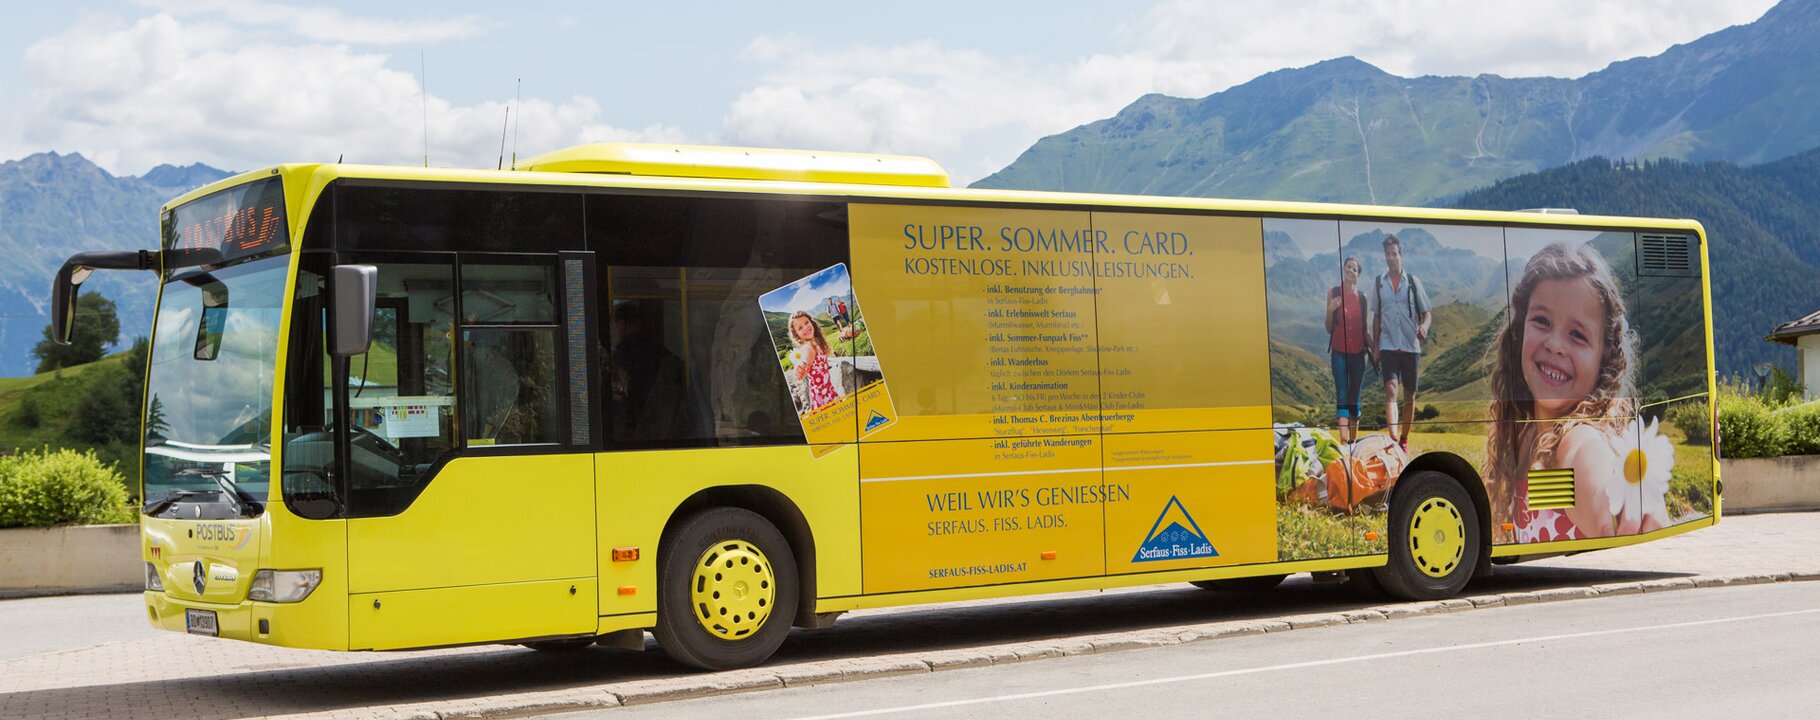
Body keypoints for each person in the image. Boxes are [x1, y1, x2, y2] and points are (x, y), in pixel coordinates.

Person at [1485, 241, 1650, 543]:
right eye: (1542, 321)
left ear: (1604, 359)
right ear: (1520, 330)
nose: (1555, 345)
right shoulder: (1523, 436)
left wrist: (1627, 505)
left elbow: (1599, 480)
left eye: (1577, 335)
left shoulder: (1580, 442)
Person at [1370, 234, 1430, 451]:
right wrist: (1375, 346)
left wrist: (1424, 327)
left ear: (1400, 255)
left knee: (1409, 395)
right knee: (1390, 389)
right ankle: (1393, 437)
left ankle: (1404, 438)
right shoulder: (1379, 283)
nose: (1391, 257)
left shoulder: (1413, 282)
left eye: (1394, 253)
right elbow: (1376, 317)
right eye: (1387, 254)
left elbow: (1427, 314)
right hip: (1388, 344)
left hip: (1410, 345)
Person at [1326, 256, 1370, 442]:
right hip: (1338, 352)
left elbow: (1365, 329)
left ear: (1358, 276)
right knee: (1342, 394)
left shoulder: (1362, 298)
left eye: (1354, 269)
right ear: (1343, 269)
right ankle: (1344, 442)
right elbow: (1329, 328)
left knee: (1355, 397)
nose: (1351, 271)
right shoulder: (1333, 292)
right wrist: (1330, 310)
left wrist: (1375, 349)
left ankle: (1354, 441)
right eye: (1348, 267)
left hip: (1358, 354)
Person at [788, 311, 841, 413]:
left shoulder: (816, 341)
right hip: (822, 399)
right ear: (797, 335)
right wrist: (799, 368)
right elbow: (803, 362)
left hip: (829, 391)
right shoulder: (808, 347)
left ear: (811, 322)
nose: (805, 327)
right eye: (800, 328)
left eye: (806, 322)